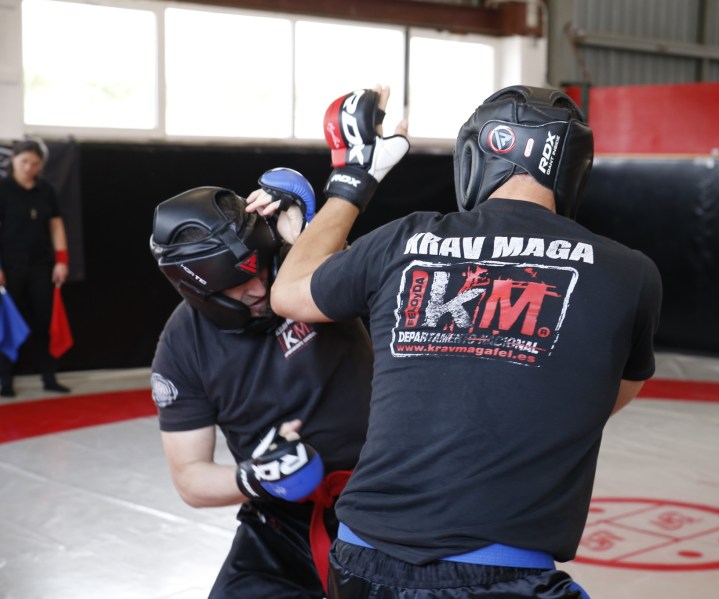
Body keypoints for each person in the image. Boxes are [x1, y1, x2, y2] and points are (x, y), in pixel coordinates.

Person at [270, 85, 663, 598]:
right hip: (504, 574)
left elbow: (288, 294)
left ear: (477, 155)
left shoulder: (404, 239)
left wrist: (353, 179)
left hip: (359, 563)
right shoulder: (628, 274)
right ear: (574, 172)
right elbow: (600, 400)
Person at [148, 160, 378, 597]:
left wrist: (310, 234)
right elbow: (190, 479)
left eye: (261, 268)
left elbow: (369, 283)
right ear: (197, 290)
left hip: (386, 498)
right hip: (282, 518)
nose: (258, 289)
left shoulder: (302, 271)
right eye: (237, 284)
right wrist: (255, 476)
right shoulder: (182, 347)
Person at [0, 139, 70, 396]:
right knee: (7, 324)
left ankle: (49, 377)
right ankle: (5, 380)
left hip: (42, 266)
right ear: (14, 161)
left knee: (45, 322)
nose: (29, 168)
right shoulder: (3, 188)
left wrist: (62, 260)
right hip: (10, 267)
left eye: (35, 163)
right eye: (24, 162)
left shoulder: (46, 190)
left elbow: (56, 225)